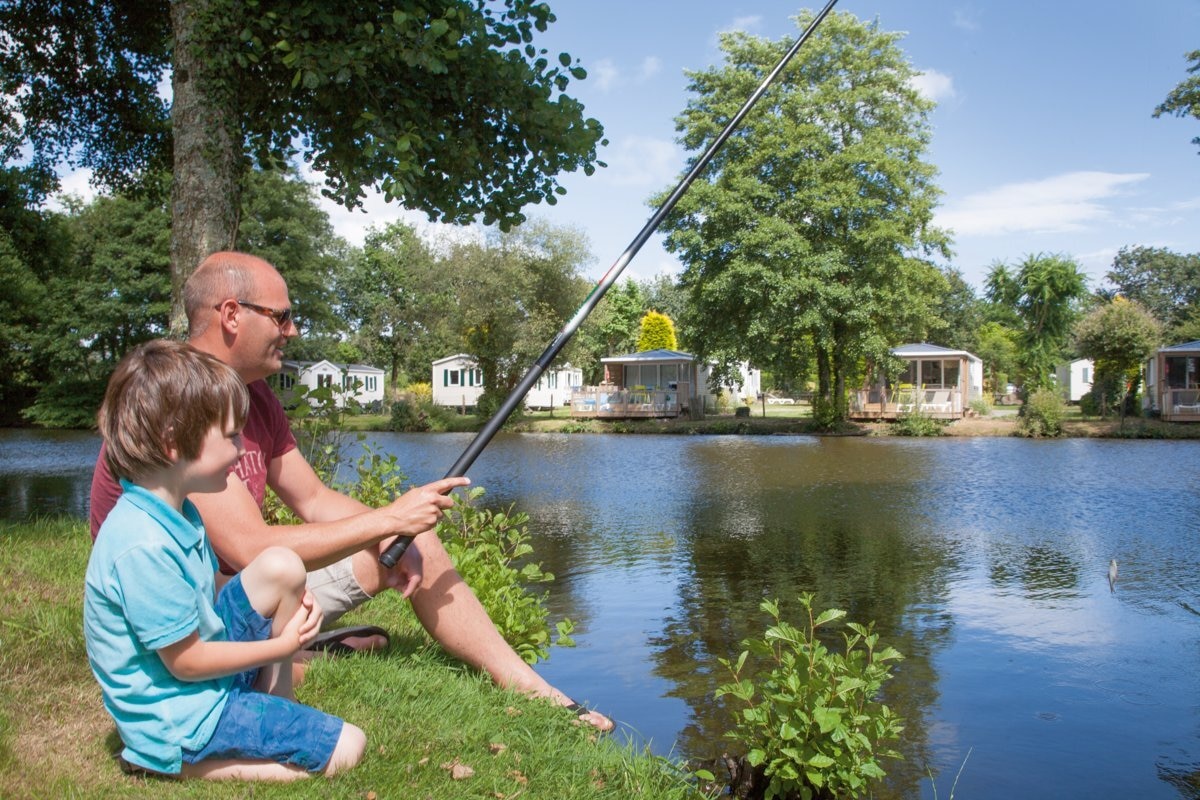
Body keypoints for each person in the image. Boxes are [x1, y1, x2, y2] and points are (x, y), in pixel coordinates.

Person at [89, 251, 612, 732]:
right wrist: (388, 520)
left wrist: (398, 526)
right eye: (281, 316)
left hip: (246, 592)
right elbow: (247, 548)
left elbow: (312, 499)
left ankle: (530, 689)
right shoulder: (177, 401)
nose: (291, 331)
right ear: (231, 314)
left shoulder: (257, 398)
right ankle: (296, 655)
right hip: (184, 619)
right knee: (387, 534)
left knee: (414, 542)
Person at [85, 339, 366, 780]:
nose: (240, 451)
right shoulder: (142, 544)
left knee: (281, 566)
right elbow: (185, 662)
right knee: (348, 748)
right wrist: (281, 646)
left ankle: (276, 708)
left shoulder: (178, 510)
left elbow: (208, 591)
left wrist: (289, 603)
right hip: (177, 711)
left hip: (197, 683)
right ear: (174, 443)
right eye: (231, 435)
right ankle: (168, 762)